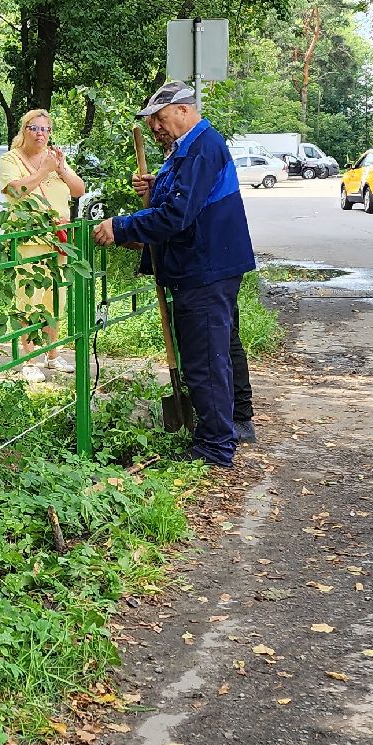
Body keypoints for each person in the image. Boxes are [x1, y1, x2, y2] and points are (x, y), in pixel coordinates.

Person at [92, 81, 257, 467]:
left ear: (184, 110)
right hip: (214, 263)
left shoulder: (200, 149)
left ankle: (215, 446)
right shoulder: (193, 148)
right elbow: (185, 198)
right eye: (150, 124)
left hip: (203, 267)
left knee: (204, 356)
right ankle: (237, 420)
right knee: (223, 345)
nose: (155, 128)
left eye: (160, 119)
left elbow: (177, 215)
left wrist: (121, 227)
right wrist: (158, 184)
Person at [0, 108, 86, 377]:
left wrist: (60, 168)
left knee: (55, 299)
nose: (40, 133)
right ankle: (30, 361)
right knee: (29, 300)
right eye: (34, 128)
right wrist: (44, 170)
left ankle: (52, 354)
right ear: (24, 130)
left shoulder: (55, 157)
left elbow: (78, 190)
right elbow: (15, 190)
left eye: (45, 129)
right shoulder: (10, 159)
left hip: (59, 240)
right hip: (29, 240)